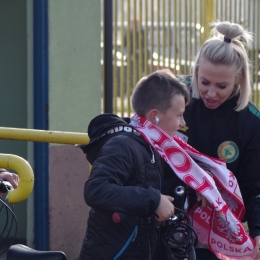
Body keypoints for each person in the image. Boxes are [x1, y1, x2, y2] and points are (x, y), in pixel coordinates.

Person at [77, 69, 190, 260]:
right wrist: (153, 200)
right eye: (179, 115)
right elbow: (95, 189)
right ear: (155, 115)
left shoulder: (155, 145)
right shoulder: (123, 145)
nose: (183, 123)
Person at [173, 21, 260, 259]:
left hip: (215, 232)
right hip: (167, 215)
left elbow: (254, 187)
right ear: (197, 70)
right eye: (204, 82)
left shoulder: (251, 122)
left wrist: (258, 231)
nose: (211, 93)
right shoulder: (175, 95)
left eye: (222, 86)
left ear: (239, 80)